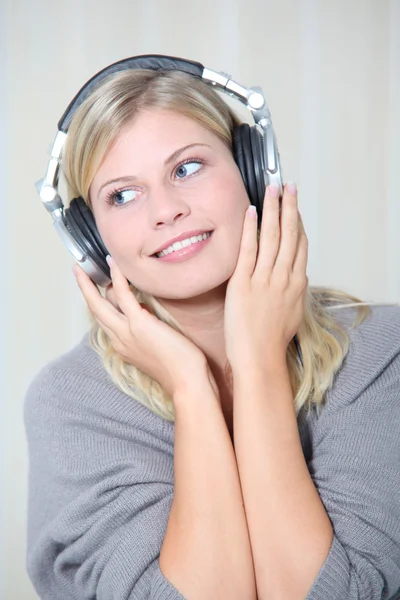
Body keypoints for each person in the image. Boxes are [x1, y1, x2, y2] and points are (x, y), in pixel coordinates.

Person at [25, 56, 400, 600]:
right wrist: (191, 386)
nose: (167, 210)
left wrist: (258, 361)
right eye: (122, 195)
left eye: (186, 168)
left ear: (254, 171)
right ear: (89, 242)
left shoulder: (381, 352)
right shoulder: (70, 402)